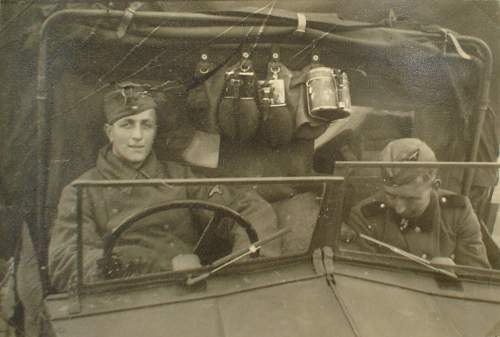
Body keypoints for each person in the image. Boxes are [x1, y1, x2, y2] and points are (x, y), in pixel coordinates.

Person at [48, 82, 280, 291]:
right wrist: (156, 269)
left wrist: (242, 270)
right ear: (109, 132)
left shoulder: (179, 177)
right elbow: (66, 260)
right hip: (121, 298)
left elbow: (248, 208)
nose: (137, 136)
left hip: (185, 293)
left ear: (155, 130)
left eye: (146, 125)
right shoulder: (82, 190)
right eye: (127, 125)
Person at [343, 138, 491, 269]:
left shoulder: (458, 212)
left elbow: (479, 279)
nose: (399, 208)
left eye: (410, 198)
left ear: (435, 186)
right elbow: (362, 283)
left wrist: (455, 273)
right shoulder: (364, 216)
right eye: (391, 196)